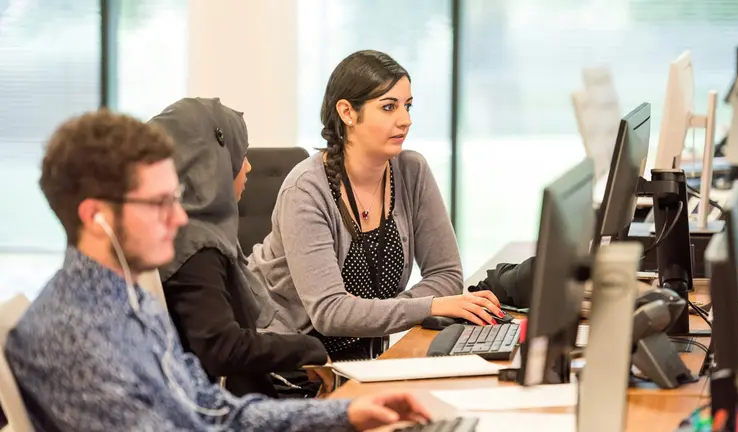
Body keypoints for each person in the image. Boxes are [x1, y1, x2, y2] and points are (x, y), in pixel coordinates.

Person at [3, 109, 430, 431]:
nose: (178, 218)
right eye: (159, 203)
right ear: (96, 216)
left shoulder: (127, 300)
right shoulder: (77, 335)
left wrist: (344, 414)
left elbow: (211, 407)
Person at [248, 50, 504, 361]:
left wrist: (382, 312)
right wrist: (429, 306)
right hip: (293, 364)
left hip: (365, 359)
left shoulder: (411, 171)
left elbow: (446, 274)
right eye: (388, 107)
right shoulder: (306, 190)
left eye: (407, 106)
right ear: (347, 113)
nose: (405, 120)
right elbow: (330, 312)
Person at [150, 97, 329, 399]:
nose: (248, 166)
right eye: (240, 155)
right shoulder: (196, 247)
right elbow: (222, 348)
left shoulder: (188, 233)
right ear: (211, 164)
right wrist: (308, 349)